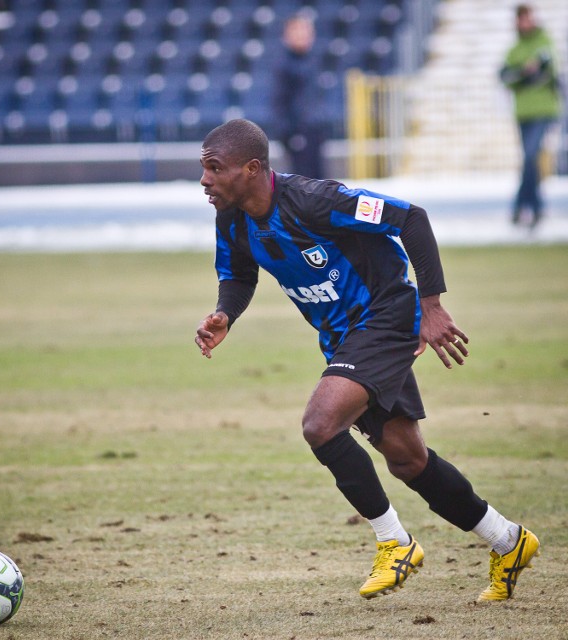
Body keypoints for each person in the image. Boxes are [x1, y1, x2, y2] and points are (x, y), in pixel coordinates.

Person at [195, 118, 540, 601]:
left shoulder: (317, 200)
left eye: (214, 168)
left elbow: (411, 217)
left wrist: (431, 305)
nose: (205, 180)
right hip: (344, 338)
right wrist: (224, 314)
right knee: (406, 458)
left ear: (252, 169)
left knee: (320, 424)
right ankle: (508, 540)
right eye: (203, 168)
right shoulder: (232, 219)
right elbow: (239, 275)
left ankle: (394, 542)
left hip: (385, 316)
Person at [500, 4, 562, 228]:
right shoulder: (515, 49)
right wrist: (525, 73)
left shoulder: (543, 42)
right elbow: (505, 76)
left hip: (543, 110)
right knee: (529, 159)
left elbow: (546, 71)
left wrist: (522, 76)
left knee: (530, 156)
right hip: (523, 112)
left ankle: (521, 207)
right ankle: (534, 207)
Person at [271, 14, 328, 179]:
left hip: (315, 131)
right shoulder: (284, 64)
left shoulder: (313, 61)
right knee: (303, 184)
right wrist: (289, 134)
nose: (303, 36)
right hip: (297, 132)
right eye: (298, 31)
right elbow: (279, 102)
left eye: (307, 31)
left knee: (320, 182)